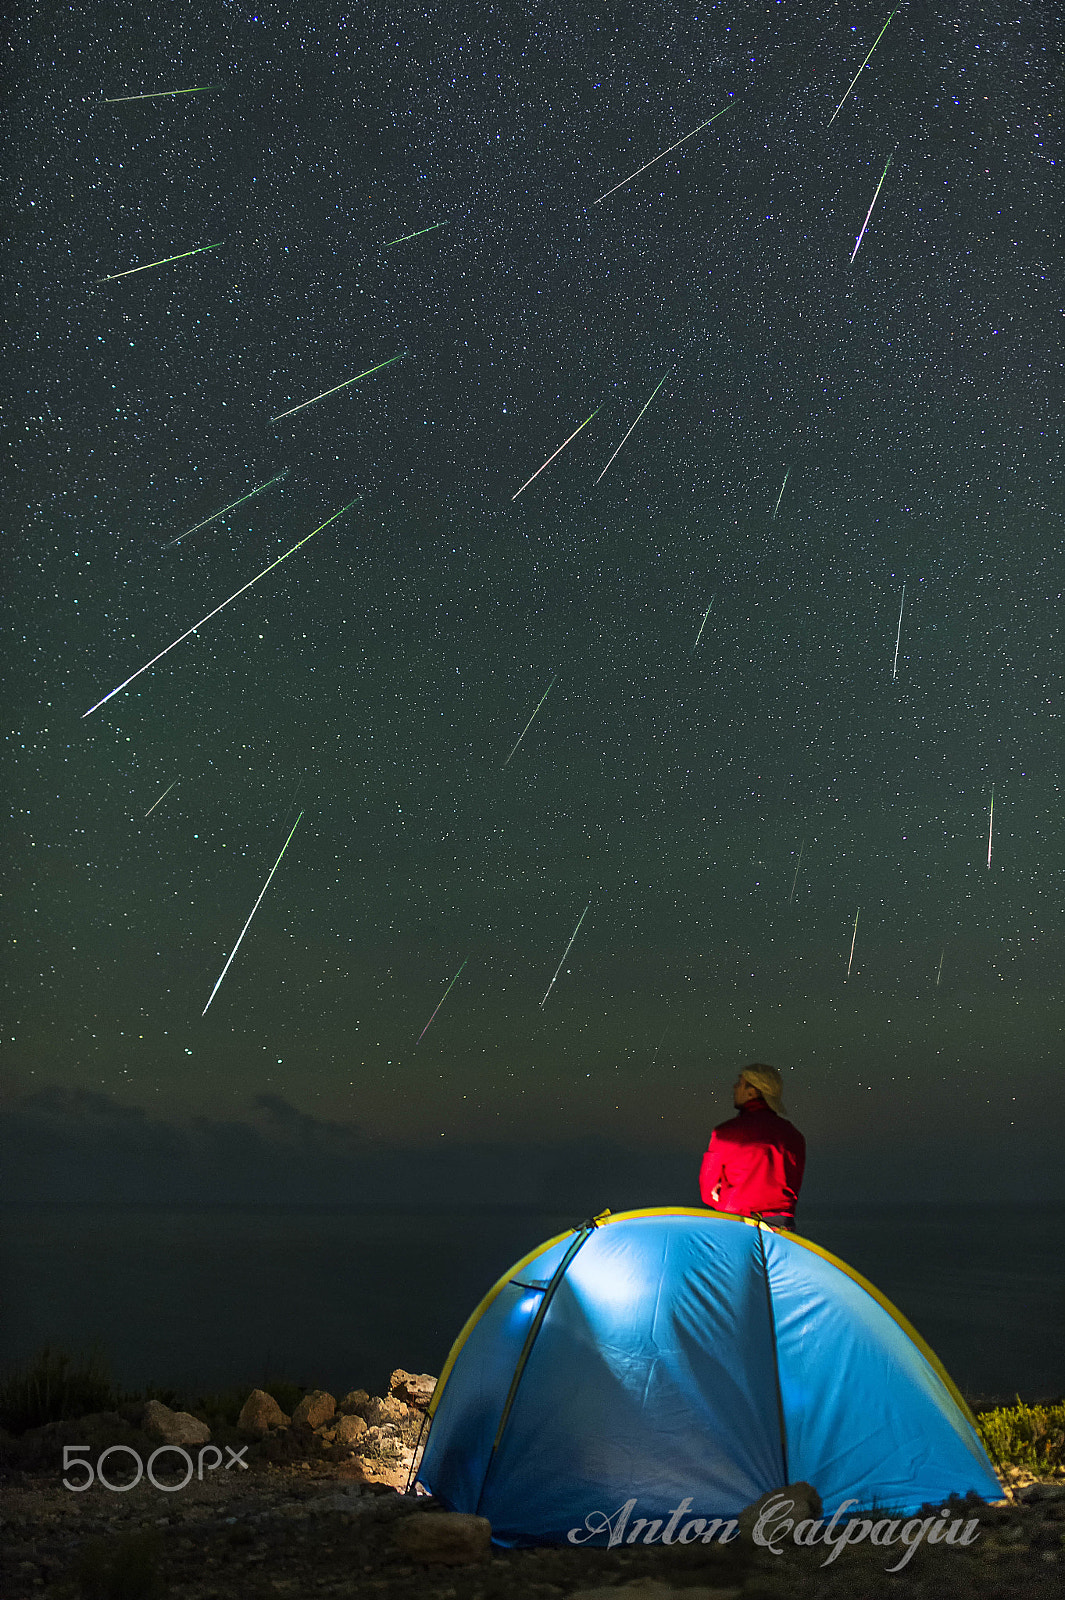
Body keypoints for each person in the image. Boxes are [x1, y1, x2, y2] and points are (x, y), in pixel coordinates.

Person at [698, 1064, 805, 1228]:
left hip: (737, 1223)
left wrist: (726, 1197)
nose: (735, 1087)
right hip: (781, 1227)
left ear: (752, 1092)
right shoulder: (794, 1136)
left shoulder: (725, 1133)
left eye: (740, 1083)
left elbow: (708, 1192)